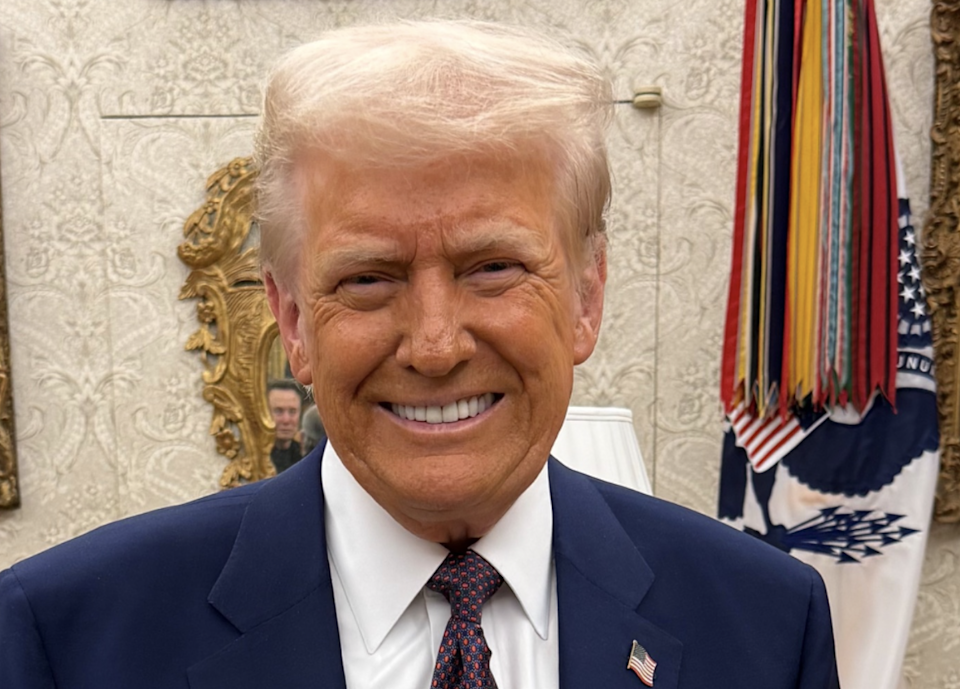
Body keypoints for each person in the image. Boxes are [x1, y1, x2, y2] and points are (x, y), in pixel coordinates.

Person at [0, 20, 840, 688]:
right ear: (291, 318)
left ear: (587, 296)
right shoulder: (70, 637)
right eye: (368, 277)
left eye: (494, 267)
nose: (436, 346)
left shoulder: (765, 622)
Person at [267, 378, 304, 472]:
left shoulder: (305, 457)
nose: (286, 420)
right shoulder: (255, 458)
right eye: (278, 411)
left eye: (292, 412)